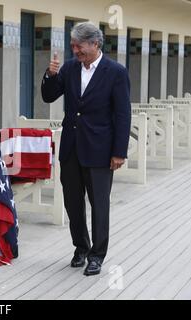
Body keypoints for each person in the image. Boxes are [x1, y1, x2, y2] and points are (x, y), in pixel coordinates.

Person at [41, 22, 131, 276]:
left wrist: (119, 151)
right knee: (72, 203)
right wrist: (50, 74)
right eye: (73, 45)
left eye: (78, 46)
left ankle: (97, 255)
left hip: (101, 151)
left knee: (99, 204)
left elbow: (123, 114)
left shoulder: (115, 72)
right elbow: (49, 96)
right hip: (71, 148)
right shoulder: (69, 67)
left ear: (95, 44)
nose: (75, 50)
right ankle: (81, 248)